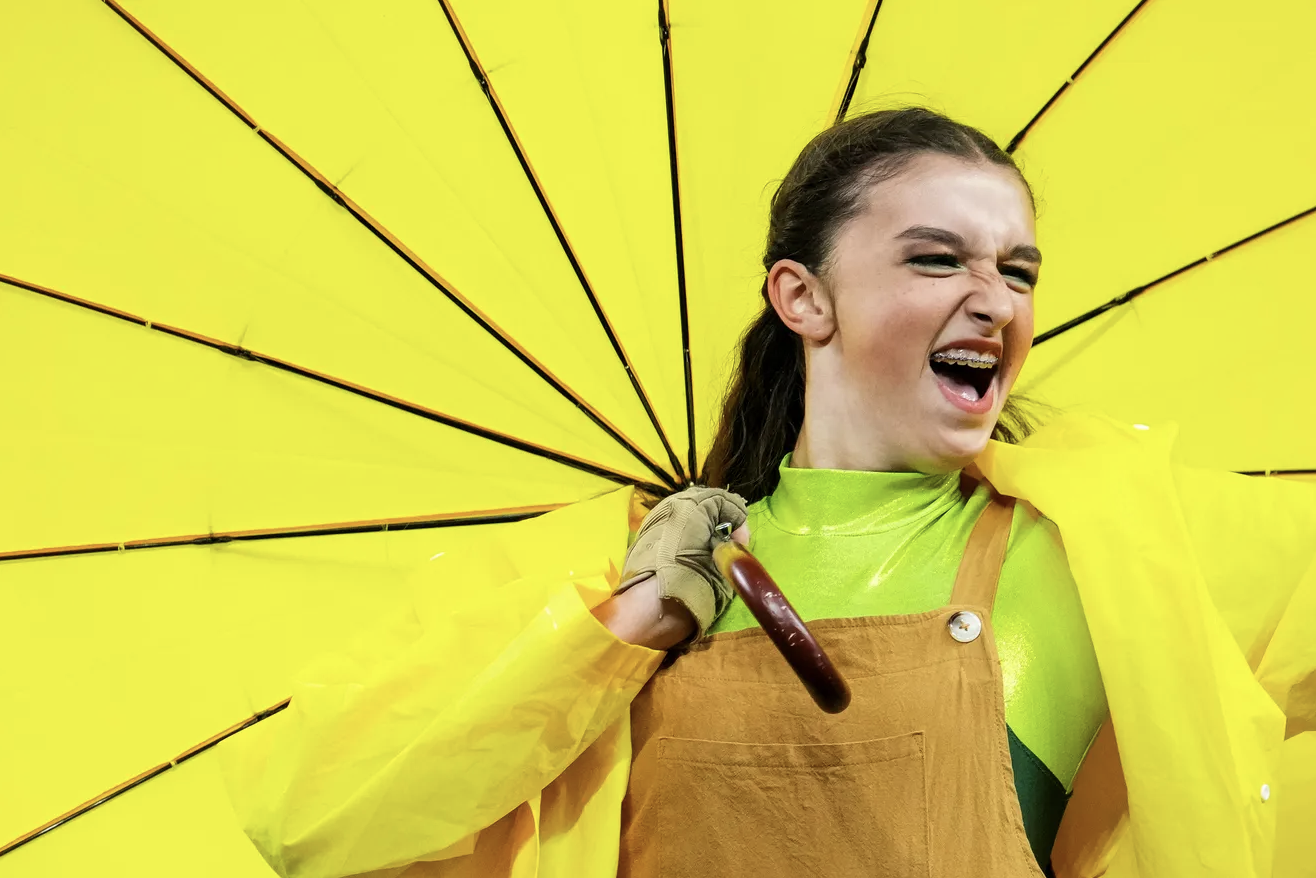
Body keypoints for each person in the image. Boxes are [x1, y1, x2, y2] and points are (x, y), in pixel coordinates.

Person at [219, 109, 1316, 878]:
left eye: (1016, 269)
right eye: (936, 260)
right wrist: (623, 624)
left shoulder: (1106, 538)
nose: (993, 300)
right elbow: (314, 820)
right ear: (802, 296)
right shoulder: (603, 567)